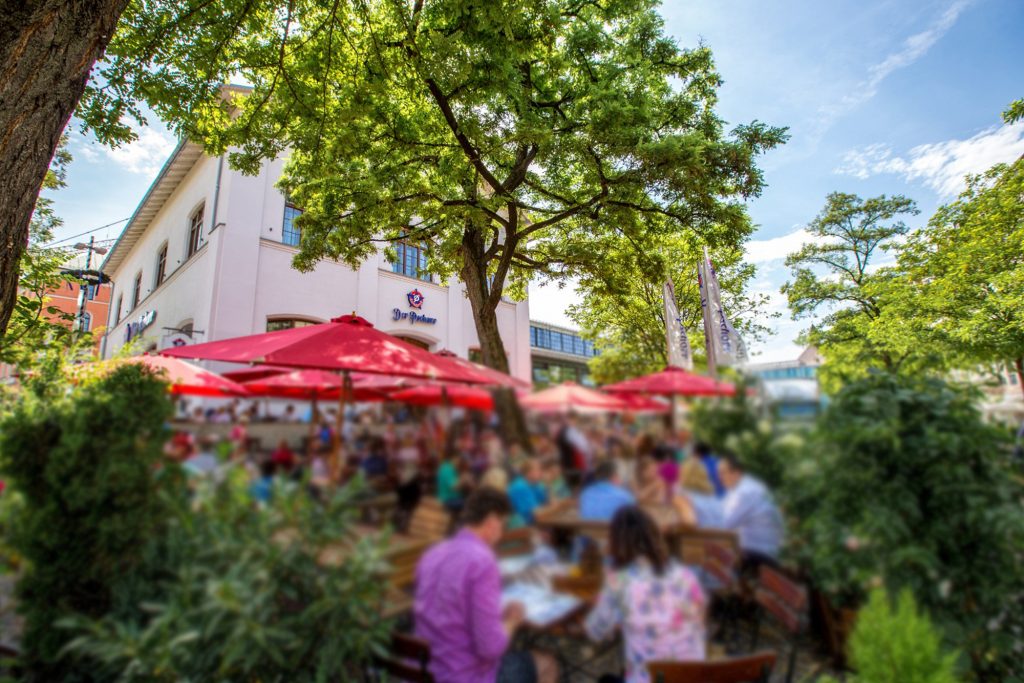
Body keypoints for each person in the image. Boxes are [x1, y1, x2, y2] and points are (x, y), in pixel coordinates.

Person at [414, 488, 558, 683]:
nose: (502, 532)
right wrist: (512, 621)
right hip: (463, 676)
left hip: (424, 671)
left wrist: (495, 617)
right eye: (504, 524)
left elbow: (450, 610)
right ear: (492, 521)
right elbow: (491, 648)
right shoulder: (482, 561)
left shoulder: (432, 554)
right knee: (547, 664)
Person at [584, 506, 707, 683]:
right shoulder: (686, 576)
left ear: (616, 543)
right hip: (691, 677)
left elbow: (595, 632)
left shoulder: (619, 581)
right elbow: (696, 624)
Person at [718, 453, 784, 572]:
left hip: (758, 554)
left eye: (723, 472)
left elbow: (725, 524)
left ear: (736, 473)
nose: (720, 477)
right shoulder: (744, 487)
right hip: (762, 551)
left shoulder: (746, 492)